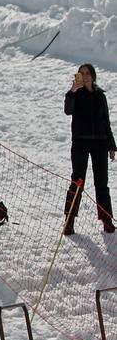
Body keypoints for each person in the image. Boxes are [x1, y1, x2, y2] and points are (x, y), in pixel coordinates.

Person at [63, 63, 115, 235]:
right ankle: (69, 221)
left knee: (102, 183)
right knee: (77, 181)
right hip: (80, 143)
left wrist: (111, 145)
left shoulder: (101, 96)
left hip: (100, 143)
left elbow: (106, 122)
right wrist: (72, 91)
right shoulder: (75, 94)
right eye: (81, 73)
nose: (84, 76)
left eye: (87, 73)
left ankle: (107, 220)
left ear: (93, 76)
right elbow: (68, 111)